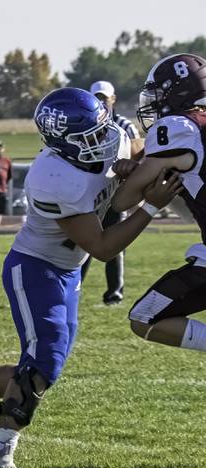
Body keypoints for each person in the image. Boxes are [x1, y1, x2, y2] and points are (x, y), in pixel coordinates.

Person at [0, 87, 182, 468]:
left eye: (102, 129)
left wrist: (133, 166)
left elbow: (137, 150)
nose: (104, 140)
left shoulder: (111, 142)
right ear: (63, 145)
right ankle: (0, 452)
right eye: (89, 137)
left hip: (68, 270)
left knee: (45, 366)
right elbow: (103, 246)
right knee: (45, 357)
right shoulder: (54, 176)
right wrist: (150, 205)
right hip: (35, 267)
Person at [125, 54, 206, 358]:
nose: (153, 103)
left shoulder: (179, 127)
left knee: (144, 317)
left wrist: (138, 179)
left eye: (159, 94)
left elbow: (123, 200)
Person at [80, 80, 144, 305]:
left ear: (113, 99)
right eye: (96, 98)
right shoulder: (84, 124)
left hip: (117, 192)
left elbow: (138, 156)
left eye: (104, 98)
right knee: (84, 241)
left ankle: (114, 292)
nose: (101, 102)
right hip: (91, 192)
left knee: (116, 243)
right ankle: (75, 287)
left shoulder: (124, 125)